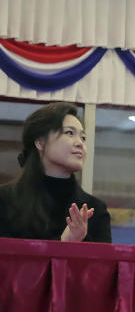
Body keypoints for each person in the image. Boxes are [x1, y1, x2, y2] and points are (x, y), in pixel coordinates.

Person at [0, 102, 111, 242]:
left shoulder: (95, 210)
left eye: (83, 137)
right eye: (69, 133)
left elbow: (101, 264)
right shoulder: (4, 201)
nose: (80, 144)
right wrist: (63, 243)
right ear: (40, 142)